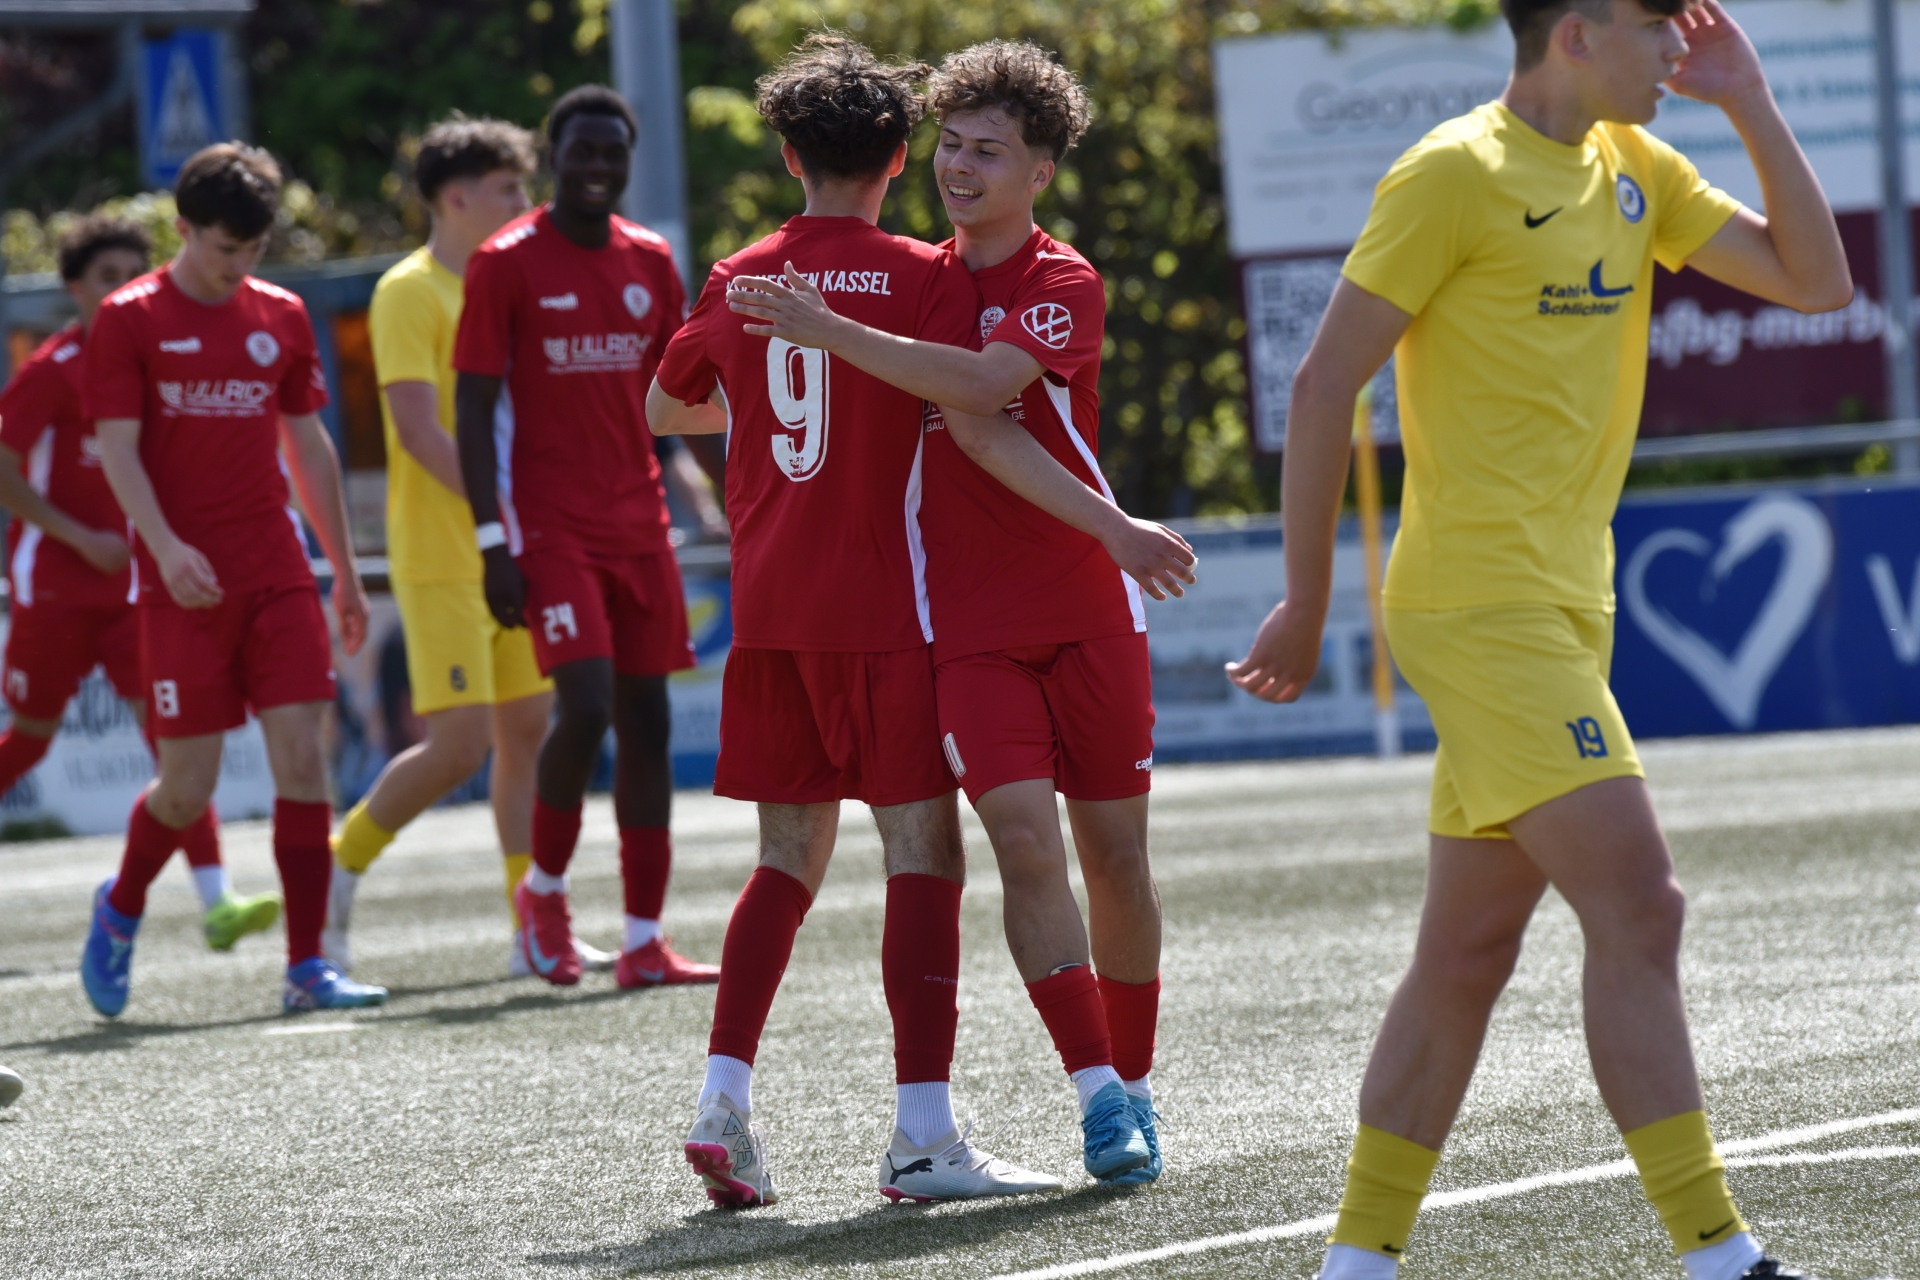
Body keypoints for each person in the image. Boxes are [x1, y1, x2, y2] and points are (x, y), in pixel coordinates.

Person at [1223, 3, 1850, 1277]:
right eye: (1656, 25)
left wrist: (1750, 101)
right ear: (1576, 32)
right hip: (1478, 604)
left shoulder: (1637, 164)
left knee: (1466, 951)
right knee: (1642, 904)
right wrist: (1307, 597)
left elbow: (1818, 282)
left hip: (1567, 603)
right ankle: (1719, 1254)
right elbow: (1325, 382)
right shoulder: (1452, 171)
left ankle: (1355, 1261)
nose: (1676, 48)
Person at [727, 40, 1194, 1187]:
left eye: (990, 149)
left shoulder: (1060, 281)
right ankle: (1101, 1099)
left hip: (1088, 607)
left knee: (1117, 861)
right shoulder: (915, 278)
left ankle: (1136, 1078)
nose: (961, 166)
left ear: (1042, 172)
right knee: (1025, 842)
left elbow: (984, 402)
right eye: (951, 144)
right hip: (967, 626)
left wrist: (1116, 533)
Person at [651, 34, 1101, 1207]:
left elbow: (662, 404)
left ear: (788, 156)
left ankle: (722, 1100)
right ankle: (922, 1135)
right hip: (886, 606)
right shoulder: (925, 271)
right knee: (924, 851)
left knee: (783, 859)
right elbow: (968, 393)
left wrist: (766, 399)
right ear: (900, 158)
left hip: (770, 609)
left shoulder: (741, 272)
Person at [79, 143, 387, 1015]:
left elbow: (309, 444)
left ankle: (306, 967)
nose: (240, 265)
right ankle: (120, 906)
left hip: (276, 573)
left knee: (304, 759)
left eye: (254, 249)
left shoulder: (281, 315)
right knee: (187, 789)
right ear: (182, 229)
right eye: (225, 248)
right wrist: (166, 549)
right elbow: (118, 452)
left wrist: (343, 570)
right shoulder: (130, 318)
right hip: (183, 585)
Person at [321, 115, 614, 978]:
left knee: (527, 730)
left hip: (515, 546)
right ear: (454, 197)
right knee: (458, 746)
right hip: (445, 555)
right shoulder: (407, 291)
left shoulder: (513, 280)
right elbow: (417, 430)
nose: (526, 202)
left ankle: (533, 927)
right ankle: (335, 869)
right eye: (508, 188)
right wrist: (501, 513)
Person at [453, 85, 715, 990]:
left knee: (649, 721)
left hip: (640, 526)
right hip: (550, 529)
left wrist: (736, 494)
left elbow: (678, 398)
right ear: (554, 157)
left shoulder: (650, 260)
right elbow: (472, 406)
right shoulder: (505, 262)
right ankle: (545, 899)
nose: (598, 165)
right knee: (590, 704)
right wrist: (492, 541)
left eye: (613, 152)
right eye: (583, 150)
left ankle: (644, 941)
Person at [0, 217, 277, 951]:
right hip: (53, 591)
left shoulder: (158, 363)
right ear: (74, 288)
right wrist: (79, 538)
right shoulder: (53, 370)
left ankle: (217, 901)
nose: (122, 286)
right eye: (106, 276)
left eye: (133, 272)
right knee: (28, 741)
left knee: (171, 742)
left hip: (134, 594)